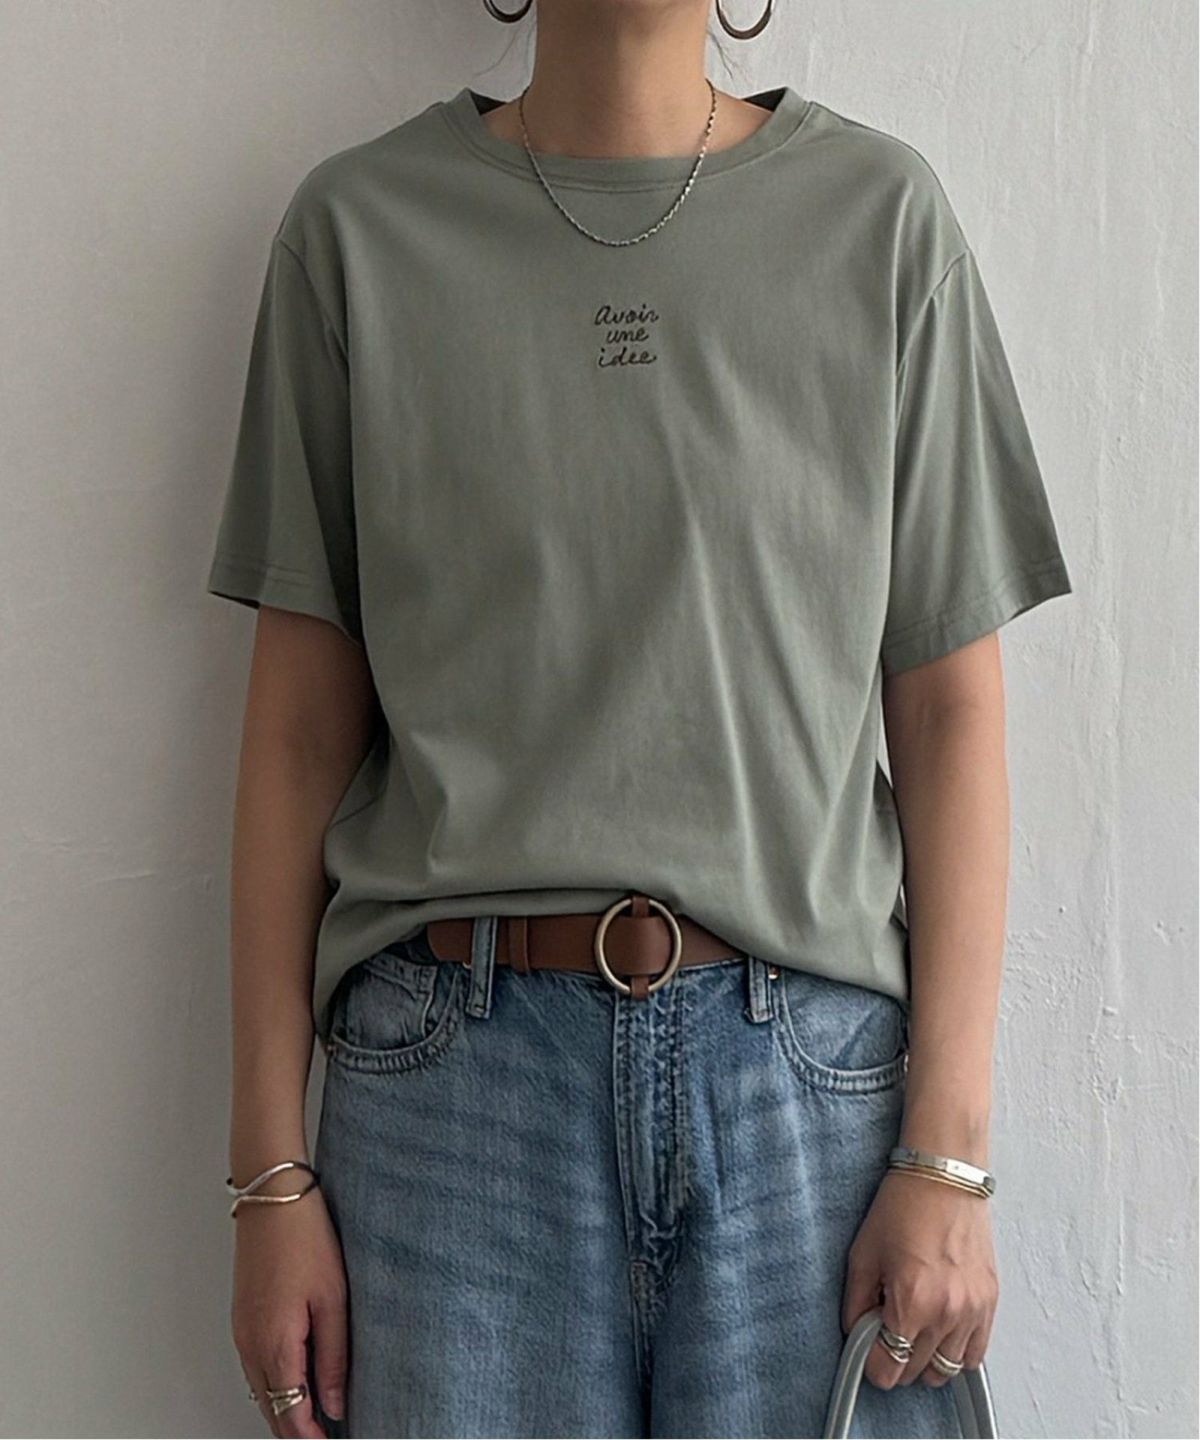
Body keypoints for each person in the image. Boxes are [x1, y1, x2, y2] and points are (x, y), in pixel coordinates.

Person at [207, 2, 1074, 1436]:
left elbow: (949, 716)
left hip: (808, 1101)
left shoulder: (879, 222)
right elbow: (297, 735)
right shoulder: (358, 235)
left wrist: (950, 1154)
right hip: (452, 1105)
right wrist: (267, 1175)